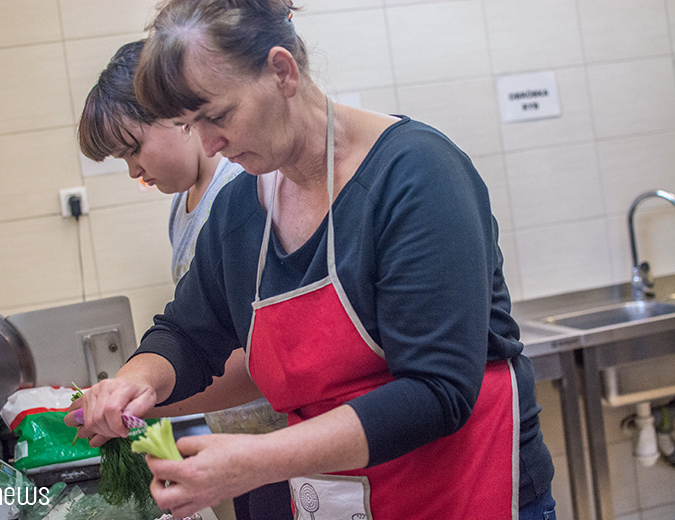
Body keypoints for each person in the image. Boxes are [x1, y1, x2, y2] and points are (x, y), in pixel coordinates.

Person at [67, 1, 557, 518]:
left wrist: (257, 459)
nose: (209, 143)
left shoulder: (415, 175)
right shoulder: (242, 210)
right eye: (191, 125)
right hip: (339, 500)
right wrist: (136, 380)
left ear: (282, 72)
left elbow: (436, 391)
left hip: (464, 494)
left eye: (218, 116)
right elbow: (187, 332)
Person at [77, 40, 292, 520]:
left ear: (181, 116)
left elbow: (259, 358)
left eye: (134, 149)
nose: (134, 170)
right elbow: (202, 334)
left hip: (287, 445)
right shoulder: (182, 206)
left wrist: (147, 405)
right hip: (238, 444)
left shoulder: (236, 195)